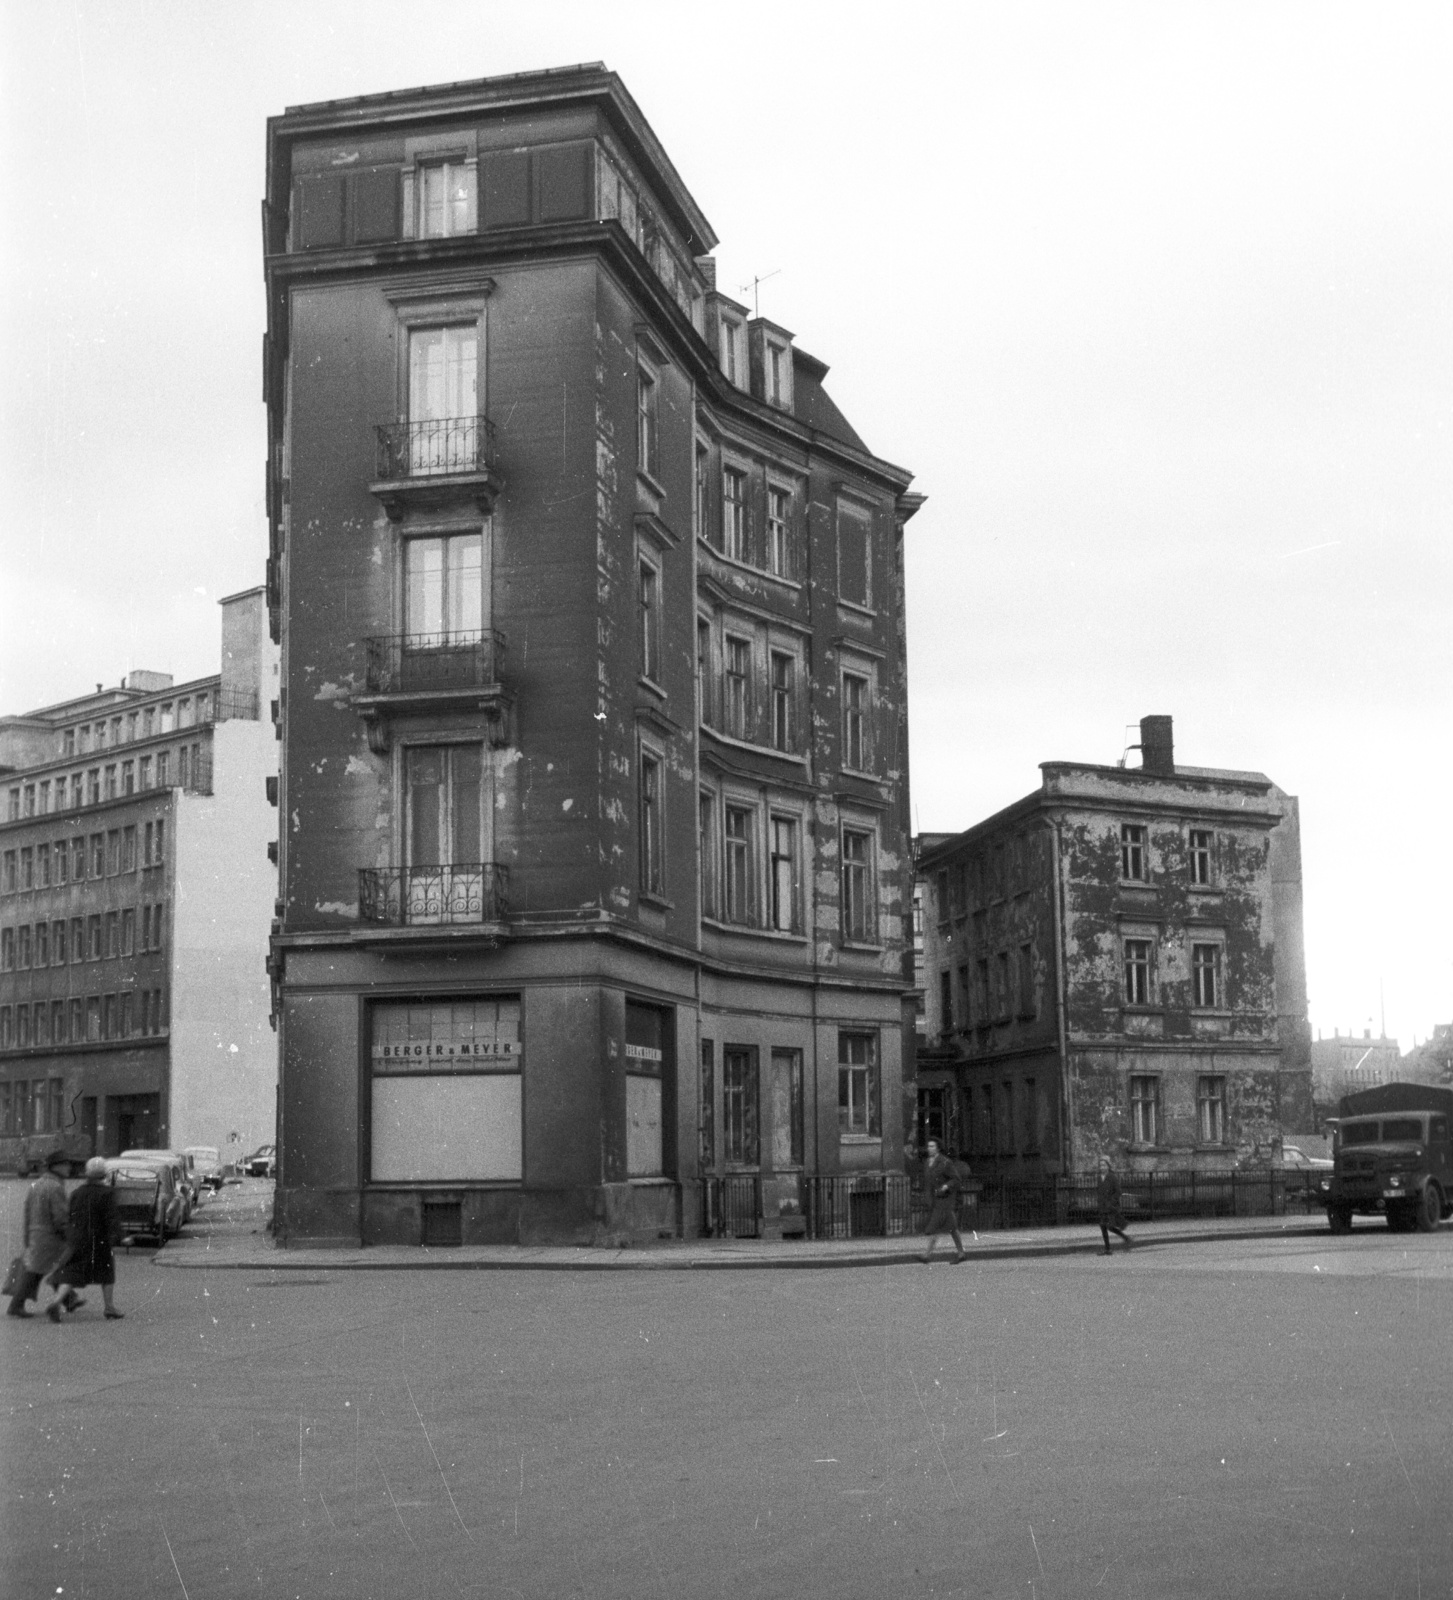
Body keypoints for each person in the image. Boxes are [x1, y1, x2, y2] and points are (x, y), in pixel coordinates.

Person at [49, 1157, 123, 1321]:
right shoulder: (108, 1193)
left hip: (78, 1239)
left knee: (71, 1273)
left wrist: (71, 1237)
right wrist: (120, 1237)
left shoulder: (77, 1193)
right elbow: (112, 1218)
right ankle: (109, 1308)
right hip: (100, 1240)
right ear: (103, 1175)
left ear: (87, 1174)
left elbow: (70, 1216)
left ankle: (56, 1301)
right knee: (107, 1274)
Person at [7, 1150, 78, 1318]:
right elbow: (60, 1216)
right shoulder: (55, 1187)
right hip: (51, 1236)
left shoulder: (37, 1184)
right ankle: (16, 1305)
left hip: (37, 1233)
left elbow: (27, 1211)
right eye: (65, 1164)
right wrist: (68, 1233)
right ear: (55, 1167)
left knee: (43, 1268)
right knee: (44, 1270)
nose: (69, 1168)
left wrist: (27, 1234)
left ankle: (69, 1300)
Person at [921, 1139, 967, 1263]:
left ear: (938, 1148)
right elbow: (928, 1182)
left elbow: (956, 1179)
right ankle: (961, 1253)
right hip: (934, 1198)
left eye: (932, 1146)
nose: (929, 1148)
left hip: (945, 1198)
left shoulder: (945, 1162)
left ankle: (926, 1255)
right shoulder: (927, 1162)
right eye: (928, 1146)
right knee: (952, 1227)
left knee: (934, 1227)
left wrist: (946, 1186)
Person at [1097, 1155, 1132, 1254]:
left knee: (1109, 1226)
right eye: (1100, 1166)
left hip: (1111, 1207)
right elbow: (1099, 1192)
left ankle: (1126, 1238)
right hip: (1103, 1206)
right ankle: (1107, 1249)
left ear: (1108, 1166)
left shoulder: (1112, 1177)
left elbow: (1118, 1192)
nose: (1102, 1167)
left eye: (1104, 1165)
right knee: (1103, 1226)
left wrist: (1111, 1201)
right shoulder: (1099, 1178)